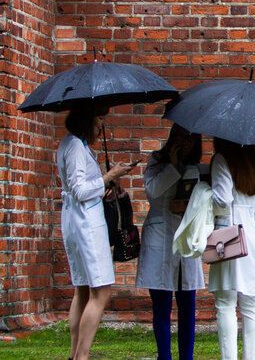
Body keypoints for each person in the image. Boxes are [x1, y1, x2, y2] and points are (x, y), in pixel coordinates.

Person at [58, 104, 135, 360]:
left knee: (82, 288)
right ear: (86, 119)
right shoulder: (77, 148)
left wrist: (106, 179)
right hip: (87, 224)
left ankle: (74, 354)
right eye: (99, 118)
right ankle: (82, 356)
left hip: (75, 221)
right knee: (100, 291)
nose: (101, 124)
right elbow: (80, 191)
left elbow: (78, 186)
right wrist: (108, 176)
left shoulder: (71, 144)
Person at [138, 124, 205, 360]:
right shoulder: (157, 161)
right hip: (160, 237)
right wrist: (174, 165)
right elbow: (152, 192)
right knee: (162, 305)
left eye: (191, 138)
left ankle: (187, 357)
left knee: (187, 305)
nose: (186, 142)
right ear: (173, 138)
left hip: (186, 238)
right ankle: (164, 356)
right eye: (181, 137)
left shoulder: (199, 168)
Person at [209, 138, 255, 360]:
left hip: (230, 232)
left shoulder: (222, 159)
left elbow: (223, 200)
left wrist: (203, 193)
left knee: (225, 302)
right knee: (250, 304)